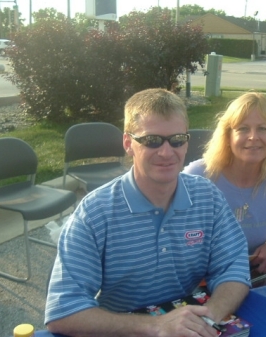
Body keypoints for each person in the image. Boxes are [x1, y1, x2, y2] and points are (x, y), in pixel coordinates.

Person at [45, 88, 251, 337]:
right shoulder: (95, 213)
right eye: (152, 140)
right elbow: (63, 311)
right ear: (128, 144)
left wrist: (209, 317)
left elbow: (233, 266)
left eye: (177, 140)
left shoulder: (208, 197)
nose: (166, 152)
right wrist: (156, 326)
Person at [184, 92, 266, 274]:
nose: (253, 137)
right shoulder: (197, 176)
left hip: (250, 272)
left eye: (262, 129)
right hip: (198, 276)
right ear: (227, 136)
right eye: (243, 129)